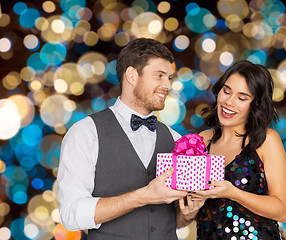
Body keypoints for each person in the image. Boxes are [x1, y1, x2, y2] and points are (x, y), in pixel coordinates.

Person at [57, 38, 188, 240]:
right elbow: (71, 214)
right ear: (132, 76)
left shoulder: (175, 139)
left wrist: (189, 212)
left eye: (169, 78)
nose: (167, 85)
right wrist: (144, 195)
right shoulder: (86, 132)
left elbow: (174, 220)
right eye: (159, 76)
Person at [177, 61, 286, 239]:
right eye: (227, 91)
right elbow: (180, 220)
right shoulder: (202, 140)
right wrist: (188, 213)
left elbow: (283, 211)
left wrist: (232, 193)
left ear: (256, 104)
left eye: (242, 98)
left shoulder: (266, 140)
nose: (229, 102)